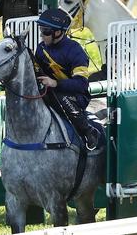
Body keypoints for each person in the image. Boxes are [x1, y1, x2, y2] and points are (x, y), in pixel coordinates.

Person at [34, 8, 99, 150]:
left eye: (45, 32)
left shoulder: (75, 51)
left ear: (58, 32)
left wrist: (55, 83)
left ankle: (88, 131)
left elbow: (81, 84)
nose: (41, 35)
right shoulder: (41, 49)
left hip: (76, 97)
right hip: (49, 92)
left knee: (60, 96)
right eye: (41, 31)